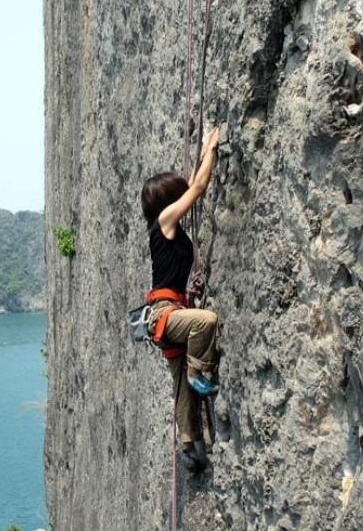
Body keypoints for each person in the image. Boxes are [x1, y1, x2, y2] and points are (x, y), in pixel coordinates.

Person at [141, 126, 221, 471]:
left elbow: (190, 185)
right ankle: (199, 372)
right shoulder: (164, 221)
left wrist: (203, 151)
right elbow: (198, 188)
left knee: (179, 387)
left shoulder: (165, 223)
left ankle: (189, 446)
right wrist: (215, 150)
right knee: (206, 322)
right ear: (166, 202)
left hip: (168, 314)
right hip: (165, 313)